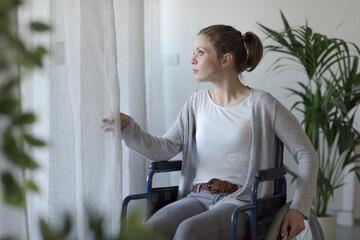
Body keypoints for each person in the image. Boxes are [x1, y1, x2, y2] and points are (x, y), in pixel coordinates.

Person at [102, 25, 319, 240]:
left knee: (189, 232)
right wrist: (129, 128)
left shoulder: (262, 104)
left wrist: (299, 208)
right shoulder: (196, 103)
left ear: (226, 60)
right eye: (193, 53)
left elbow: (307, 154)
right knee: (148, 232)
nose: (193, 60)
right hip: (197, 197)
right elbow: (165, 148)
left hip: (241, 203)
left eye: (201, 53)